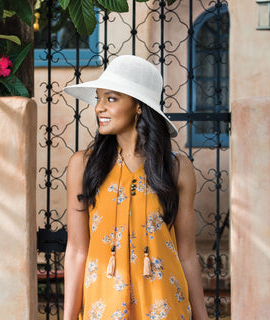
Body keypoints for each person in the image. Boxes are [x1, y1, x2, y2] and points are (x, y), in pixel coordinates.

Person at [63, 55, 209, 320]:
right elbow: (76, 251)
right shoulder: (83, 166)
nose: (99, 108)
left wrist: (202, 317)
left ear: (138, 106)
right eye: (98, 98)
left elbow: (186, 254)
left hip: (165, 306)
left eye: (111, 98)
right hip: (104, 308)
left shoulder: (177, 168)